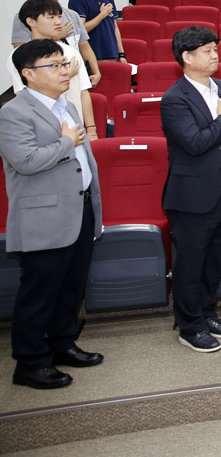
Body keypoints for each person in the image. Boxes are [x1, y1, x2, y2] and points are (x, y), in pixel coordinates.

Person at [0, 39, 104, 390]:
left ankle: (63, 343)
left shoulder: (67, 106)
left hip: (79, 209)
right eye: (54, 65)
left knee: (71, 287)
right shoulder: (13, 112)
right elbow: (25, 162)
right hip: (43, 218)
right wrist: (65, 143)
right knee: (39, 293)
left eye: (64, 64)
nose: (64, 71)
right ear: (28, 74)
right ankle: (29, 363)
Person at [160, 26, 221, 353]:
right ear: (187, 56)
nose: (215, 55)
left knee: (215, 261)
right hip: (193, 198)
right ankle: (190, 325)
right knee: (190, 266)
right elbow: (195, 143)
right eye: (208, 50)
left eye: (215, 49)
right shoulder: (174, 99)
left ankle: (208, 314)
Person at [9, 0, 97, 140]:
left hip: (75, 129)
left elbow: (83, 92)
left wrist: (91, 130)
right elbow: (26, 96)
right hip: (41, 132)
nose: (58, 22)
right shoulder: (20, 55)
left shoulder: (70, 52)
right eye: (50, 17)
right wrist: (66, 75)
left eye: (59, 16)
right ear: (31, 21)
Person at [13, 0, 100, 86]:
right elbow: (20, 50)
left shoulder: (73, 15)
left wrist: (96, 72)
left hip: (75, 77)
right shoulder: (25, 17)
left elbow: (84, 46)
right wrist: (55, 37)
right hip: (44, 82)